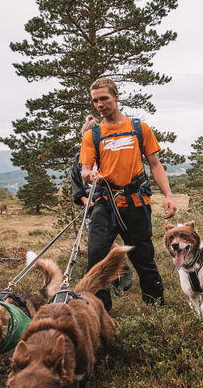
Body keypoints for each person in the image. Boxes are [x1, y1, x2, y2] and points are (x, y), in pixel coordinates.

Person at [78, 77, 176, 311]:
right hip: (105, 204)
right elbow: (84, 171)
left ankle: (156, 307)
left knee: (143, 257)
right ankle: (101, 313)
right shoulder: (92, 135)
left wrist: (169, 196)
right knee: (97, 258)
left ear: (116, 97)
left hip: (136, 202)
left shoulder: (138, 128)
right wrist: (91, 175)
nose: (99, 104)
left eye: (104, 98)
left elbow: (155, 164)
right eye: (95, 101)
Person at [70, 115, 133, 291]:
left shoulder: (109, 152)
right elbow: (76, 184)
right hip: (91, 207)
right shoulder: (78, 159)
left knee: (107, 241)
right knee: (100, 244)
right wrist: (84, 201)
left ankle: (122, 267)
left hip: (111, 202)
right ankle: (118, 269)